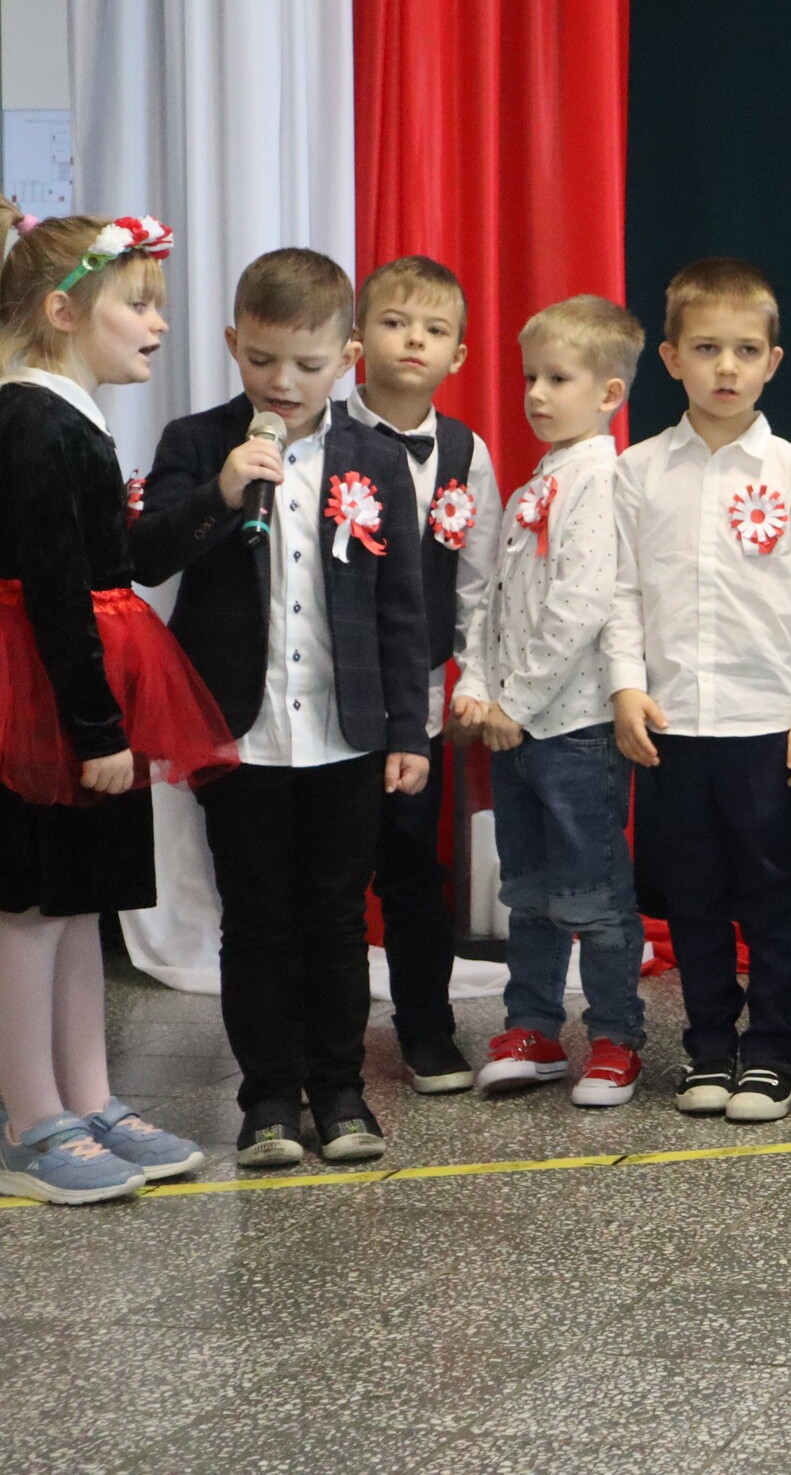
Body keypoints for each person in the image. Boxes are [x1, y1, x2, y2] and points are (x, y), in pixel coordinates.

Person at [131, 248, 432, 1168]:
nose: (284, 382)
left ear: (348, 355)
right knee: (255, 917)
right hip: (237, 731)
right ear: (233, 343)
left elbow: (402, 606)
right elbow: (144, 554)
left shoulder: (375, 457)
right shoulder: (196, 441)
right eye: (262, 359)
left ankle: (340, 1090)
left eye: (308, 363)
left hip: (345, 731)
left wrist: (409, 730)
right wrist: (222, 492)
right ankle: (266, 1097)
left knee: (337, 916)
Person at [0, 206, 228, 1202]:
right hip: (45, 695)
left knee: (78, 899)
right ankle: (30, 1118)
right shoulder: (31, 421)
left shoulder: (71, 417)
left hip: (84, 685)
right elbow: (54, 587)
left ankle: (88, 1097)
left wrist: (215, 499)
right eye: (137, 304)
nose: (158, 323)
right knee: (29, 905)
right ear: (63, 312)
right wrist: (94, 726)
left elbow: (118, 558)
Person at [607, 258, 791, 1123]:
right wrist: (627, 687)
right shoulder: (638, 471)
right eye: (706, 348)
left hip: (765, 719)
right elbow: (622, 591)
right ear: (670, 358)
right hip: (673, 721)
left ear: (773, 361)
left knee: (772, 894)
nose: (726, 367)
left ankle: (771, 1051)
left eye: (745, 349)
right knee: (692, 895)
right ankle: (708, 1047)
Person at [450, 297, 647, 1107]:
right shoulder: (540, 477)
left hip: (574, 731)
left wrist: (517, 701)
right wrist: (475, 685)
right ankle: (532, 1027)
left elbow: (580, 605)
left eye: (556, 379)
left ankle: (616, 1037)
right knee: (526, 893)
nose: (535, 393)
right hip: (516, 728)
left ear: (608, 393)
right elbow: (494, 597)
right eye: (531, 376)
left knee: (592, 895)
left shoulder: (600, 479)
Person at [346, 256, 500, 1095]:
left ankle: (428, 1030)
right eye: (396, 322)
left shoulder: (466, 451)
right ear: (357, 338)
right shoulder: (324, 434)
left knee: (413, 871)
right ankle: (327, 1039)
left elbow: (479, 581)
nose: (414, 340)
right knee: (333, 878)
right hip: (333, 701)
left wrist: (473, 680)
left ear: (458, 354)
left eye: (434, 329)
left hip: (424, 706)